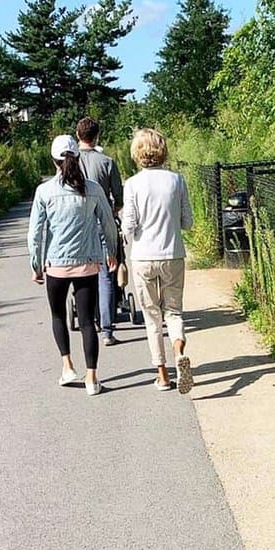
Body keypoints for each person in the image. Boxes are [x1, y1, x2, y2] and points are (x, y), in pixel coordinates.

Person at [28, 134, 118, 396]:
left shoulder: (44, 191)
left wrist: (36, 264)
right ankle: (92, 378)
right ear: (77, 157)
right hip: (88, 263)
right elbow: (108, 224)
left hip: (56, 264)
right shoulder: (93, 189)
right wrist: (111, 251)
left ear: (54, 160)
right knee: (88, 321)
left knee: (58, 316)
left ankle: (67, 367)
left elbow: (36, 233)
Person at [121, 128, 194, 393]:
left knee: (152, 318)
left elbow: (129, 224)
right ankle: (179, 352)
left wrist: (123, 237)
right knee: (174, 312)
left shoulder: (132, 185)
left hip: (143, 257)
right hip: (173, 253)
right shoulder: (177, 181)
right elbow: (188, 221)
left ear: (137, 153)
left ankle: (162, 375)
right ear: (162, 151)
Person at [76, 116, 124, 346]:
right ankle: (106, 330)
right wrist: (113, 209)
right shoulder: (107, 162)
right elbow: (119, 196)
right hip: (102, 223)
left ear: (78, 136)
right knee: (106, 275)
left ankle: (89, 318)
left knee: (86, 275)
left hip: (79, 226)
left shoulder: (70, 163)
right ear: (97, 137)